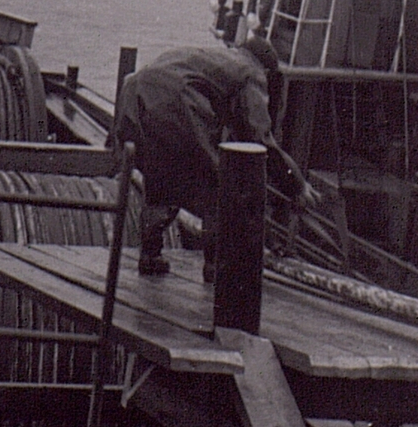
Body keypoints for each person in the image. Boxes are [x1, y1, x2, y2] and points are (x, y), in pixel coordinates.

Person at [110, 35, 317, 281]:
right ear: (267, 68)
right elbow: (261, 139)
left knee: (159, 178)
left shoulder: (217, 58)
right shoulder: (252, 73)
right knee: (218, 185)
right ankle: (217, 267)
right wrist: (296, 185)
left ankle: (150, 256)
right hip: (176, 102)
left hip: (133, 94)